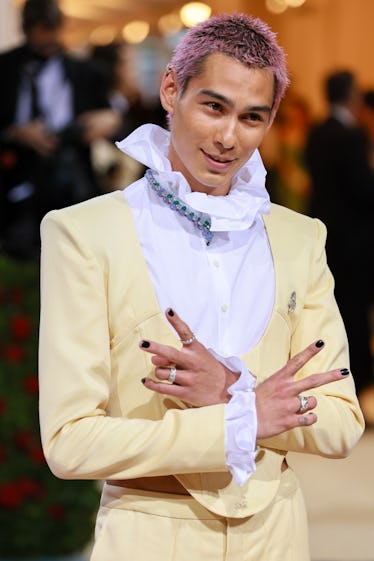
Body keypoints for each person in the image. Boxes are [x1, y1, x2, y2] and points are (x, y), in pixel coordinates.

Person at [39, 14, 364, 561]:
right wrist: (239, 416)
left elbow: (341, 424)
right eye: (213, 106)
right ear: (171, 89)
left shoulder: (299, 238)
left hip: (279, 535)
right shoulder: (83, 233)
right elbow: (69, 442)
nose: (229, 137)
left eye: (252, 117)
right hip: (147, 535)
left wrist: (234, 388)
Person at [0, 0, 120, 259]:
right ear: (25, 29)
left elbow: (118, 125)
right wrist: (15, 133)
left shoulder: (86, 72)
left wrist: (110, 120)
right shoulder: (5, 69)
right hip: (17, 187)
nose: (50, 40)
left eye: (53, 30)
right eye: (42, 32)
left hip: (74, 183)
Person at [305, 70, 374, 397]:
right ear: (351, 95)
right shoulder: (352, 135)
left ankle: (337, 380)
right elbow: (363, 190)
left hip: (327, 232)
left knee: (336, 309)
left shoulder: (316, 132)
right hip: (356, 240)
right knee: (356, 314)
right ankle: (358, 384)